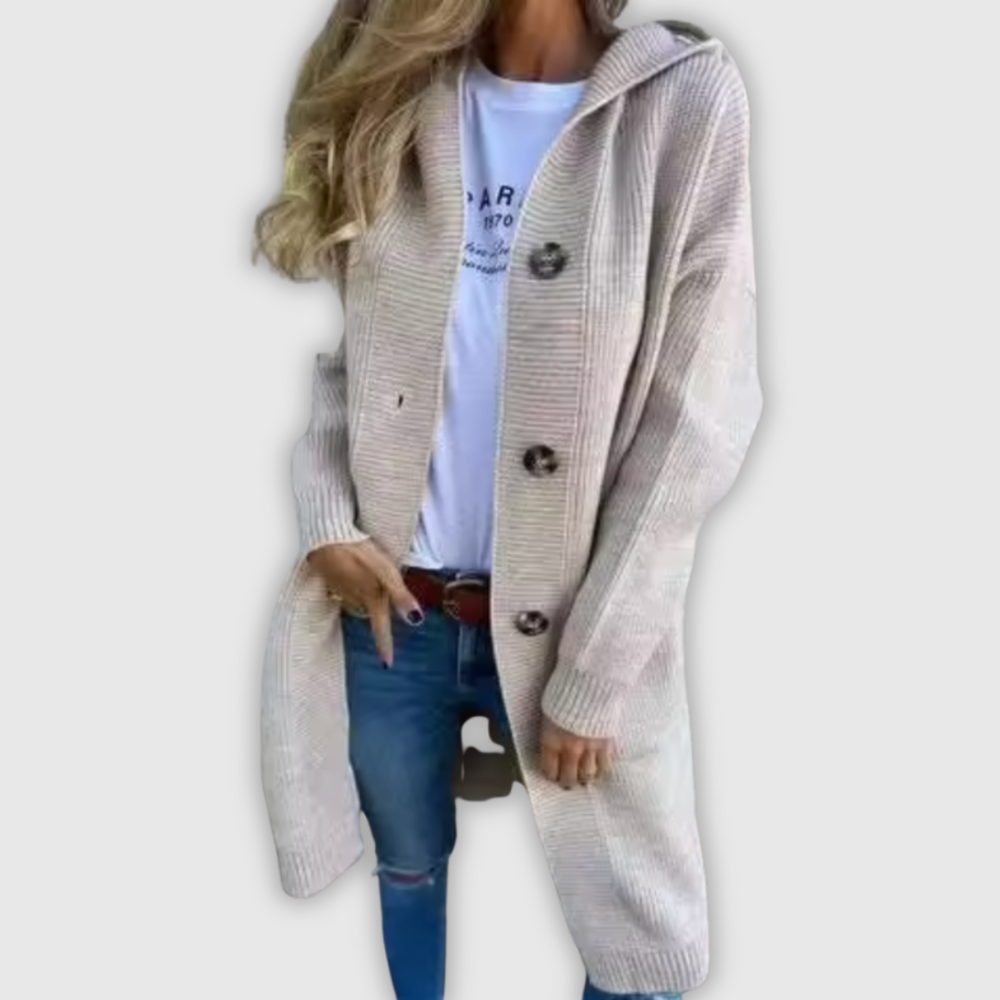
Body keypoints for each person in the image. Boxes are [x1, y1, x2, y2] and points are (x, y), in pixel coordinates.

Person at [252, 2, 762, 998]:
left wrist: (595, 674)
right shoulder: (405, 96)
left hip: (575, 631)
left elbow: (694, 423)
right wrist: (326, 524)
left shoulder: (680, 101)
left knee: (641, 947)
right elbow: (357, 364)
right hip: (396, 615)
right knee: (406, 866)